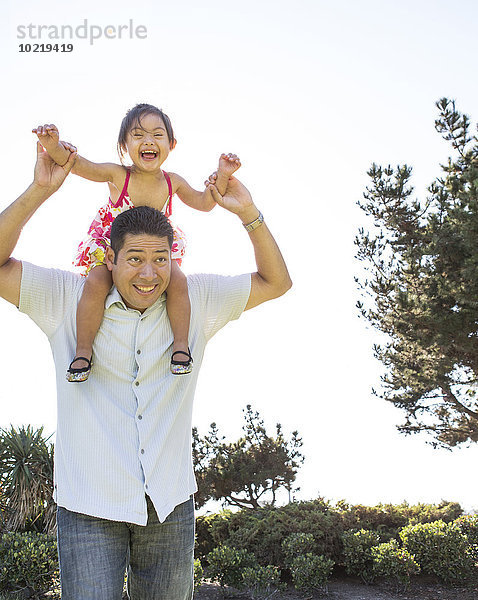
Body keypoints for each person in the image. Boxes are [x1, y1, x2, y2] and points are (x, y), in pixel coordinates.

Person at [0, 141, 292, 599]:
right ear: (109, 259)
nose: (149, 274)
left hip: (169, 505)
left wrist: (248, 212)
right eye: (134, 259)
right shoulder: (66, 299)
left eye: (161, 260)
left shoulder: (196, 300)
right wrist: (39, 191)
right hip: (87, 506)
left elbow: (277, 282)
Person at [33, 103, 241, 381]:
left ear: (171, 144)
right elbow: (78, 166)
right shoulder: (118, 174)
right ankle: (83, 350)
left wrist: (223, 175)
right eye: (138, 135)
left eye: (157, 135)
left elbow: (204, 203)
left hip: (153, 250)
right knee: (95, 283)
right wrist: (53, 146)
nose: (148, 141)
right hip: (113, 246)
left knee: (179, 282)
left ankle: (180, 346)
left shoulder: (172, 182)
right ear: (124, 144)